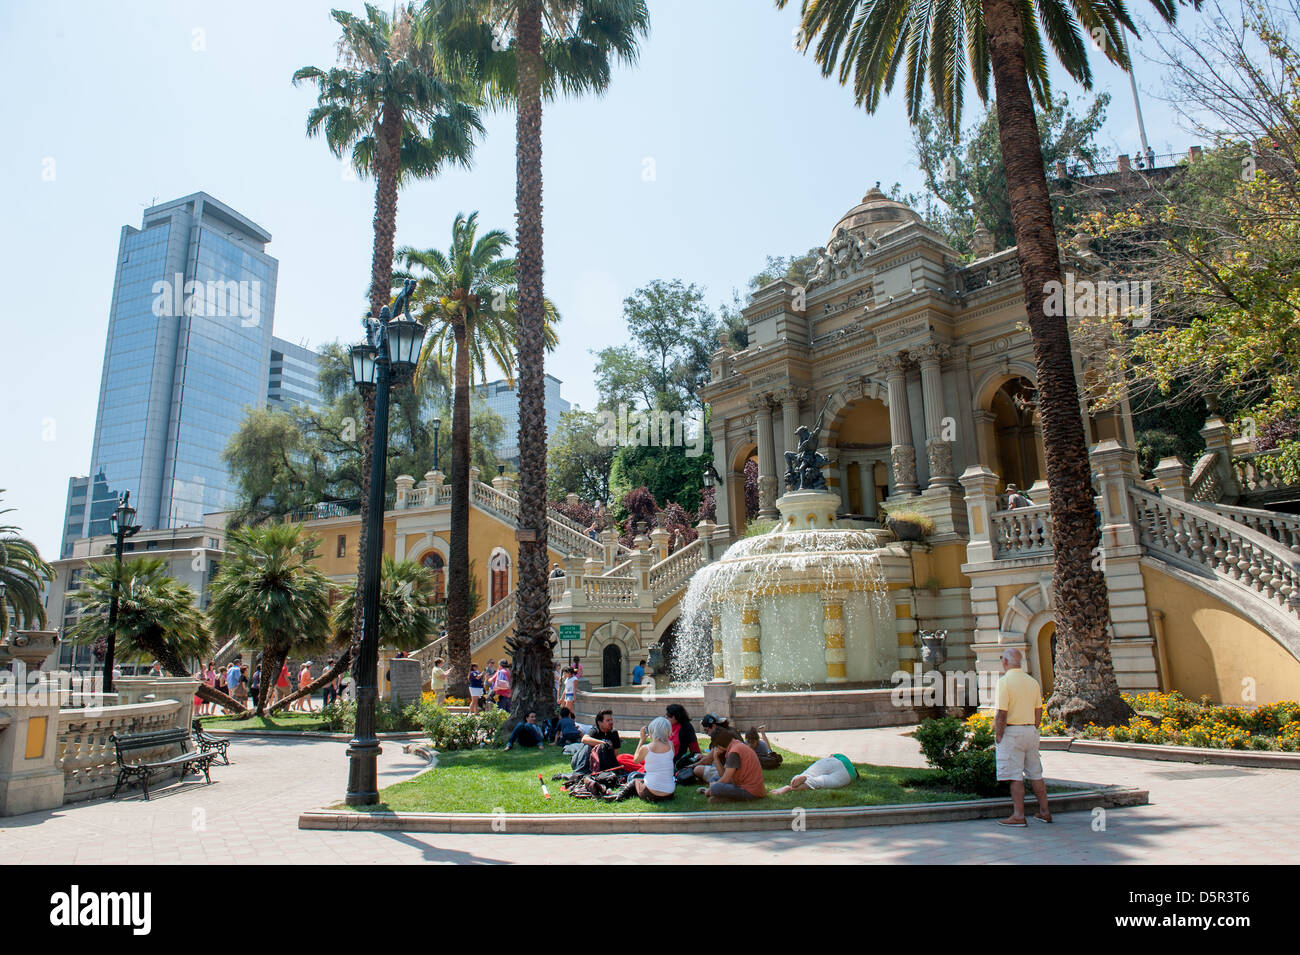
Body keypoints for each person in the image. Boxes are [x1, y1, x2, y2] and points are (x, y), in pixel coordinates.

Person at [994, 648, 1052, 827]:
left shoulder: (1004, 682)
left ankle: (1019, 815)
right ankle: (1044, 812)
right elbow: (1039, 710)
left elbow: (1001, 713)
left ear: (1005, 662)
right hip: (1030, 731)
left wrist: (998, 735)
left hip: (1012, 733)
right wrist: (1033, 727)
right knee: (1036, 773)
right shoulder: (1032, 681)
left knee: (1015, 776)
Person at [616, 717, 675, 802]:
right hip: (669, 793)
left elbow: (635, 760)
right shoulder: (671, 745)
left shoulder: (646, 748)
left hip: (652, 793)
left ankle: (618, 796)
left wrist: (641, 740)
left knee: (634, 779)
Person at [701, 727, 766, 802]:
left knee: (715, 787)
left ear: (719, 745)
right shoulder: (736, 744)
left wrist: (710, 789)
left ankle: (724, 797)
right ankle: (722, 796)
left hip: (750, 791)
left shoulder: (734, 752)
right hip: (750, 787)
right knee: (715, 780)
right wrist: (715, 758)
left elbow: (725, 779)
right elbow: (723, 775)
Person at [770, 754, 857, 795]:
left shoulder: (843, 756)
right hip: (846, 775)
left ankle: (798, 778)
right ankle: (789, 788)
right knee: (819, 782)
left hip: (834, 761)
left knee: (809, 773)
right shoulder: (854, 775)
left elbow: (830, 756)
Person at [691, 713, 732, 784]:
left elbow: (709, 760)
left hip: (730, 772)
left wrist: (692, 766)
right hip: (729, 768)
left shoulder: (721, 736)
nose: (707, 734)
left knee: (697, 769)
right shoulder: (728, 731)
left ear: (713, 726)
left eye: (707, 730)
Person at [580, 710, 621, 774]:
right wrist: (603, 744)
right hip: (586, 761)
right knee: (587, 747)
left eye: (611, 720)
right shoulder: (595, 731)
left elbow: (615, 752)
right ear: (599, 722)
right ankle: (582, 771)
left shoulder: (614, 733)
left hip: (603, 762)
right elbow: (584, 739)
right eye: (608, 720)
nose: (611, 722)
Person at [665, 703, 701, 769]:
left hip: (676, 761)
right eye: (667, 714)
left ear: (677, 716)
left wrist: (698, 760)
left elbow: (694, 747)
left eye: (669, 715)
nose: (666, 717)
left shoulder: (686, 727)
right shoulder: (666, 725)